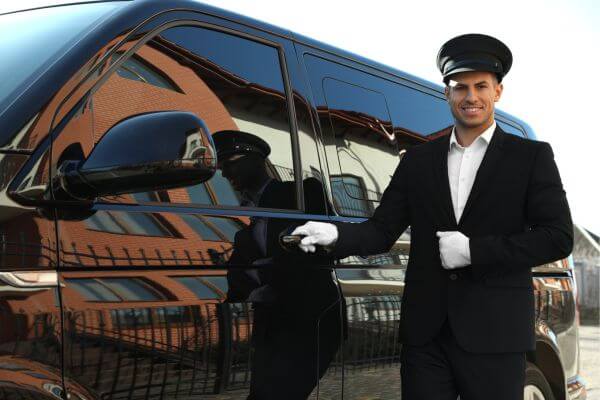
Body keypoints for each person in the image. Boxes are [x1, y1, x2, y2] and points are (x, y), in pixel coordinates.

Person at [292, 33, 573, 400]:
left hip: (495, 335)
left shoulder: (530, 157)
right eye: (460, 87)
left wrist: (474, 250)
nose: (470, 96)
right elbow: (380, 230)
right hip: (427, 335)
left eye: (480, 86)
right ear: (447, 93)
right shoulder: (418, 161)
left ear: (497, 91)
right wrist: (335, 235)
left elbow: (557, 236)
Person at [212, 130, 341, 400]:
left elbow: (328, 246)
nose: (224, 173)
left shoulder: (303, 193)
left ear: (256, 160)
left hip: (310, 323)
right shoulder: (245, 230)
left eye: (230, 163)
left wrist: (266, 271)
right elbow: (238, 280)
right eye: (221, 167)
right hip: (271, 330)